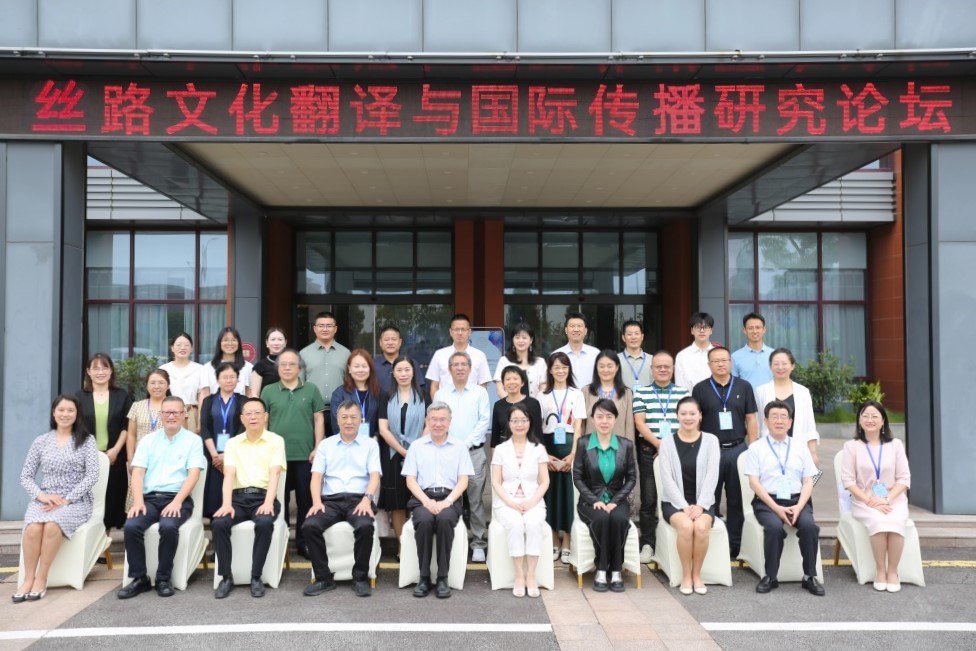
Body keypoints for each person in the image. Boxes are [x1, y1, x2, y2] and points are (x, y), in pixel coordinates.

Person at [118, 396, 207, 599]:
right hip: (149, 499)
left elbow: (193, 475)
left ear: (184, 414)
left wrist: (176, 502)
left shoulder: (193, 441)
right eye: (167, 412)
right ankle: (139, 578)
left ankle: (163, 578)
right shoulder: (148, 441)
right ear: (160, 415)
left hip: (178, 498)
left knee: (168, 526)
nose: (171, 416)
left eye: (175, 412)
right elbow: (137, 473)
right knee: (131, 526)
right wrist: (138, 501)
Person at [15, 395, 99, 603]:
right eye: (61, 410)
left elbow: (92, 475)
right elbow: (26, 476)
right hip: (45, 499)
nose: (65, 414)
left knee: (52, 525)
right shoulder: (41, 441)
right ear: (54, 413)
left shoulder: (87, 440)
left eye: (70, 410)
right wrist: (42, 496)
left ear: (77, 414)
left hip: (76, 500)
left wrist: (67, 499)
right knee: (33, 528)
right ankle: (27, 579)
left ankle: (41, 578)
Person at [743, 400, 824, 596]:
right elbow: (754, 483)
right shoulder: (756, 448)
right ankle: (770, 576)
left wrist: (799, 507)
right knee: (774, 528)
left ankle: (809, 576)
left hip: (797, 500)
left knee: (809, 527)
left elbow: (808, 482)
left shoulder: (800, 448)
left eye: (783, 417)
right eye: (774, 417)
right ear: (766, 421)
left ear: (790, 422)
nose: (779, 421)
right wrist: (777, 508)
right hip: (767, 502)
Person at [302, 400, 382, 598]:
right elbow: (316, 477)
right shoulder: (326, 445)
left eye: (353, 417)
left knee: (365, 526)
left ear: (360, 419)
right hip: (331, 501)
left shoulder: (370, 444)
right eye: (344, 417)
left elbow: (375, 476)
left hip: (359, 499)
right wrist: (316, 502)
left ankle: (360, 578)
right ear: (337, 420)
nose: (349, 421)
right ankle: (324, 578)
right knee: (310, 526)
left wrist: (367, 499)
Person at [212, 397, 286, 599]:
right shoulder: (233, 443)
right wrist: (226, 504)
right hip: (237, 499)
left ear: (265, 417)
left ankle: (256, 576)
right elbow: (228, 475)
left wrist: (269, 502)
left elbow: (275, 474)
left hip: (263, 497)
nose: (253, 417)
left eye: (257, 413)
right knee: (219, 523)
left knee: (264, 522)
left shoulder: (276, 441)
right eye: (249, 414)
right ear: (242, 419)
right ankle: (226, 577)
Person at [401, 402, 474, 599]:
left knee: (444, 519)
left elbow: (463, 480)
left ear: (450, 421)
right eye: (434, 419)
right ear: (427, 420)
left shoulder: (459, 447)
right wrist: (426, 501)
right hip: (422, 497)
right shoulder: (416, 446)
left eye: (443, 419)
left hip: (449, 498)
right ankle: (424, 578)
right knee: (424, 520)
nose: (438, 424)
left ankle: (442, 578)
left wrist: (447, 502)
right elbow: (410, 480)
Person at [691, 346, 758, 558]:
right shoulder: (700, 389)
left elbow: (751, 418)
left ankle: (735, 545)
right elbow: (695, 421)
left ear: (730, 362)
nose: (721, 364)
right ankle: (710, 543)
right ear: (709, 364)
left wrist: (752, 448)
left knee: (737, 499)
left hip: (738, 449)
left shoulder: (744, 386)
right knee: (708, 498)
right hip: (710, 451)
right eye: (716, 361)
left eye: (724, 360)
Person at [260, 349, 326, 559]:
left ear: (300, 368)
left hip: (306, 455)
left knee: (306, 501)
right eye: (283, 364)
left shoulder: (311, 389)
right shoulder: (268, 391)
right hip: (277, 458)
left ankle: (304, 543)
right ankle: (280, 542)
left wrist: (318, 447)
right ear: (277, 368)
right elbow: (264, 422)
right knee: (279, 500)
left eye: (292, 364)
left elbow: (318, 419)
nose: (287, 368)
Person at [841, 400, 911, 593]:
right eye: (865, 415)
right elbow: (848, 480)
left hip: (893, 500)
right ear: (859, 420)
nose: (869, 420)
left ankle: (893, 572)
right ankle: (880, 570)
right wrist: (870, 501)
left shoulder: (895, 445)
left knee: (895, 523)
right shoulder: (852, 446)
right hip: (864, 501)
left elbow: (904, 479)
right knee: (878, 523)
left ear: (883, 421)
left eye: (874, 416)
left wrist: (886, 499)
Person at [432, 351, 491, 563]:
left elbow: (484, 421)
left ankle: (478, 543)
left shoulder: (480, 393)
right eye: (455, 365)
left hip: (473, 452)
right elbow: (437, 422)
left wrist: (463, 444)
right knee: (449, 497)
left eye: (463, 364)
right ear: (449, 369)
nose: (459, 368)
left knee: (475, 500)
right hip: (447, 453)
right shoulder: (441, 394)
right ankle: (455, 541)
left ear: (470, 368)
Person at [573, 399, 637, 593]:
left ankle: (616, 570)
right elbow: (578, 477)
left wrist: (615, 501)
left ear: (615, 419)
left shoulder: (626, 445)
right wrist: (595, 500)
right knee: (601, 518)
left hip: (618, 500)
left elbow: (631, 478)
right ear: (592, 419)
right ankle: (601, 569)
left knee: (618, 519)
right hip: (589, 501)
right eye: (599, 416)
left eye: (609, 416)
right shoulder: (583, 443)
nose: (604, 421)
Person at [658, 397, 720, 595]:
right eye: (683, 413)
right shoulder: (667, 442)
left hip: (704, 501)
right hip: (674, 502)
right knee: (686, 526)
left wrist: (700, 505)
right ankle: (686, 575)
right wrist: (684, 506)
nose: (688, 417)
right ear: (677, 416)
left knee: (700, 527)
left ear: (700, 416)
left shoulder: (711, 441)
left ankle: (696, 575)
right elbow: (666, 478)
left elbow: (712, 475)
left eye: (692, 413)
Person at [632, 351, 690, 563]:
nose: (663, 369)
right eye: (658, 366)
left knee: (678, 496)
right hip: (650, 451)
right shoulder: (641, 392)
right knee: (649, 499)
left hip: (679, 451)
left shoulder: (683, 392)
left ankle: (675, 542)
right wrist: (659, 444)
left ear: (673, 369)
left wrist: (670, 446)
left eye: (667, 366)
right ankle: (648, 543)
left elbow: (688, 420)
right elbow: (639, 422)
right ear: (652, 369)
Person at [490, 403, 550, 598]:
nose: (519, 424)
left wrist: (532, 502)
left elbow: (545, 481)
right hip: (507, 501)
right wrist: (511, 503)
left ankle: (531, 575)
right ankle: (519, 575)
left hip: (533, 500)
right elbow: (496, 481)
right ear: (508, 423)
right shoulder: (500, 449)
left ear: (530, 422)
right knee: (516, 524)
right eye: (515, 420)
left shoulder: (538, 449)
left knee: (533, 523)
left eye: (523, 420)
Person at [76, 353, 132, 542]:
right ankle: (89, 542)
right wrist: (91, 453)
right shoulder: (79, 397)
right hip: (87, 457)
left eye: (105, 367)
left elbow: (127, 425)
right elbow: (77, 427)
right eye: (96, 368)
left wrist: (116, 450)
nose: (100, 372)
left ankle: (102, 544)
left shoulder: (121, 395)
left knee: (110, 500)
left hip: (114, 457)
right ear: (88, 372)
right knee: (89, 499)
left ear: (111, 371)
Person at [377, 356, 430, 553]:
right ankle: (402, 545)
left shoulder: (424, 395)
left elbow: (429, 425)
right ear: (393, 373)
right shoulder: (386, 396)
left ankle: (417, 543)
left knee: (417, 500)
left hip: (420, 454)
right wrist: (402, 451)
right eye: (399, 370)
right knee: (397, 503)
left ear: (413, 372)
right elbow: (383, 428)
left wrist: (414, 450)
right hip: (392, 454)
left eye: (407, 369)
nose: (403, 374)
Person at [540, 351, 586, 565]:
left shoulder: (576, 394)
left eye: (564, 367)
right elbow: (538, 428)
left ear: (569, 369)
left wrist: (573, 454)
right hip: (548, 447)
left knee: (568, 495)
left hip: (569, 447)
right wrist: (544, 455)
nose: (560, 371)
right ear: (550, 370)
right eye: (556, 367)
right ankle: (553, 540)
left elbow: (579, 425)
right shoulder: (542, 395)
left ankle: (567, 540)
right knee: (550, 495)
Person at [754, 348, 821, 467]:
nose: (780, 367)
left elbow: (810, 424)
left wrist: (813, 452)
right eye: (776, 364)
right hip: (768, 450)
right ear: (770, 366)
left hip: (797, 449)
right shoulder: (761, 391)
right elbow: (757, 423)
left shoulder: (803, 392)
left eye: (784, 364)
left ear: (792, 366)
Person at [199, 363, 246, 518]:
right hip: (212, 455)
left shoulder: (243, 401)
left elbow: (243, 429)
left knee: (233, 491)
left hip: (236, 454)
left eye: (232, 377)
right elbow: (204, 428)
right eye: (225, 377)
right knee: (214, 494)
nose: (229, 380)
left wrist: (227, 454)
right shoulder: (208, 401)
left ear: (238, 379)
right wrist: (215, 455)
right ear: (217, 379)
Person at [125, 369, 171, 508]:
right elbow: (131, 435)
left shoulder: (175, 407)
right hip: (141, 461)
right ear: (146, 385)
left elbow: (182, 434)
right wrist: (130, 459)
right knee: (138, 498)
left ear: (168, 385)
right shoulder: (137, 406)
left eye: (161, 383)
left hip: (167, 460)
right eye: (153, 383)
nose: (157, 386)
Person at [300, 311, 350, 438]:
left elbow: (350, 383)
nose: (325, 329)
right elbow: (299, 384)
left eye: (329, 326)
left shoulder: (346, 353)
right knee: (315, 447)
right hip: (312, 410)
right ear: (314, 328)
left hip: (339, 410)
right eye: (321, 326)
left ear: (335, 329)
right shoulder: (304, 354)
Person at [426, 313, 491, 396]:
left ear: (469, 332)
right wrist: (437, 403)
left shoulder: (479, 356)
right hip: (445, 403)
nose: (460, 333)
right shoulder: (439, 355)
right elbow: (434, 385)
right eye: (456, 329)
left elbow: (483, 386)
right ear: (450, 332)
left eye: (463, 329)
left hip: (471, 403)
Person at [581, 350, 636, 447]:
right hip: (591, 449)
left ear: (617, 367)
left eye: (610, 366)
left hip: (618, 449)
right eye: (601, 366)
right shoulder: (586, 391)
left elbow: (629, 428)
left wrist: (631, 452)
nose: (605, 370)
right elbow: (581, 425)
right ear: (596, 368)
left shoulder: (626, 393)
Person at [330, 349, 381, 439]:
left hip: (372, 442)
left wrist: (376, 437)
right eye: (356, 366)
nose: (360, 370)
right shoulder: (339, 393)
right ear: (349, 369)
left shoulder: (378, 392)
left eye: (364, 366)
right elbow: (336, 421)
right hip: (346, 443)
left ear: (370, 369)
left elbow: (383, 421)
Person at [159, 332, 203, 432]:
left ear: (191, 348)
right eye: (178, 345)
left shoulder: (200, 369)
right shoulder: (164, 369)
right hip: (169, 414)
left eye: (186, 345)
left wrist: (200, 421)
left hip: (192, 414)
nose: (182, 348)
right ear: (172, 348)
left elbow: (202, 397)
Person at [491, 366, 543, 448]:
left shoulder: (533, 403)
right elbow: (495, 436)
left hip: (529, 450)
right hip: (505, 451)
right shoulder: (498, 405)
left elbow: (538, 433)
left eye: (515, 379)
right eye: (508, 379)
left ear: (522, 382)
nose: (511, 382)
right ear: (503, 383)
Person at [198, 326, 253, 404]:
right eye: (226, 340)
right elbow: (204, 394)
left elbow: (249, 394)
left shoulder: (248, 367)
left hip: (240, 409)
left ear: (238, 343)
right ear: (219, 343)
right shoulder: (207, 368)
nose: (230, 343)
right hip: (215, 409)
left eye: (233, 340)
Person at [493, 322, 548, 398]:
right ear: (512, 339)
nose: (520, 341)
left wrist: (535, 404)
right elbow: (500, 389)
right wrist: (511, 404)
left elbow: (543, 388)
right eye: (517, 337)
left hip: (535, 405)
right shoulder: (504, 361)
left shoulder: (540, 362)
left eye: (524, 338)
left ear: (531, 340)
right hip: (509, 405)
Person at [373, 324, 424, 398]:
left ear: (400, 342)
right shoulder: (372, 364)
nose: (390, 343)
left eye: (394, 339)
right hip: (379, 404)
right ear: (380, 342)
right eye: (386, 340)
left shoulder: (411, 363)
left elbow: (419, 388)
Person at [554, 312, 600, 388]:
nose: (576, 329)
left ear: (585, 331)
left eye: (579, 326)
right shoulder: (556, 355)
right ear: (566, 330)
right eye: (572, 326)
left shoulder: (596, 354)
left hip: (590, 395)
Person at [674, 312, 717, 391]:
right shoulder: (682, 356)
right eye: (698, 327)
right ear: (692, 331)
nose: (702, 331)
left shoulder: (717, 355)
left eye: (705, 327)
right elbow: (679, 384)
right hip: (689, 398)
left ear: (711, 330)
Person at [731, 312, 774, 388]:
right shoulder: (735, 357)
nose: (754, 331)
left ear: (764, 329)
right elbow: (733, 385)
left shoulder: (774, 354)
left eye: (758, 327)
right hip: (745, 396)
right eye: (750, 328)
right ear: (744, 330)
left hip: (771, 396)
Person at [250, 327, 288, 398]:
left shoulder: (292, 364)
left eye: (280, 339)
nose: (276, 343)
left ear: (285, 342)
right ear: (267, 343)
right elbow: (255, 395)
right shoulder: (260, 366)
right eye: (273, 339)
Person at [618, 320, 652, 390]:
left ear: (642, 336)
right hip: (623, 397)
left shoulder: (652, 359)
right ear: (623, 337)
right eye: (629, 334)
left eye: (636, 333)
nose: (633, 337)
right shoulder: (616, 359)